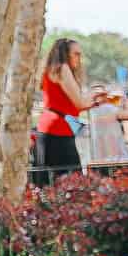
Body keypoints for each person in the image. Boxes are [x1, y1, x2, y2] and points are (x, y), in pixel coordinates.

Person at [34, 37, 92, 185]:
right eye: (76, 54)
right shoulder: (63, 69)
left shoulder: (50, 70)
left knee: (48, 182)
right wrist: (98, 101)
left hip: (47, 127)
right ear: (65, 54)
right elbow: (79, 103)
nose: (79, 58)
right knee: (73, 181)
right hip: (59, 129)